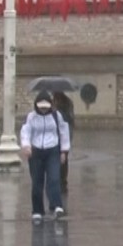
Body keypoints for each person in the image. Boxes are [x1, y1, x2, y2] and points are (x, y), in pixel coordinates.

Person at [20, 94, 70, 222]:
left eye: (45, 107)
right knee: (37, 182)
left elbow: (64, 131)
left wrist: (64, 150)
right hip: (36, 151)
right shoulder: (31, 117)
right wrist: (26, 146)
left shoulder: (56, 115)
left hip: (52, 149)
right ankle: (37, 210)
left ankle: (57, 205)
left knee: (54, 178)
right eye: (41, 107)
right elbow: (26, 131)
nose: (43, 110)